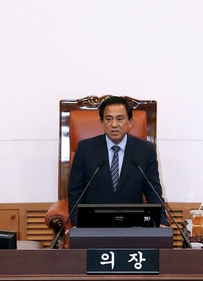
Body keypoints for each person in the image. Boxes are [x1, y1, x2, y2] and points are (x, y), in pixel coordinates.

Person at [67, 95, 168, 226]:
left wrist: (161, 222)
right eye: (109, 119)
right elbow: (75, 192)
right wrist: (77, 224)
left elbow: (153, 192)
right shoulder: (85, 149)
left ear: (130, 122)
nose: (114, 124)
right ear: (101, 122)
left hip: (134, 225)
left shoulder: (145, 150)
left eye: (120, 119)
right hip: (94, 225)